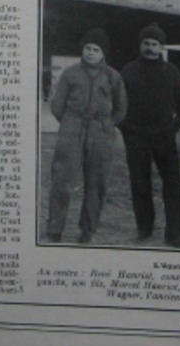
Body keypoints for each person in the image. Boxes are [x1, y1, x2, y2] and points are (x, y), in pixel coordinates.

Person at [46, 28, 127, 244]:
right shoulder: (70, 73)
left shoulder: (113, 76)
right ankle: (55, 227)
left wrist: (107, 124)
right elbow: (57, 106)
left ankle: (87, 230)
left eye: (96, 49)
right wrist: (72, 123)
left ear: (103, 53)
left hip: (101, 131)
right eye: (87, 48)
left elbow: (121, 108)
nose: (91, 52)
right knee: (62, 180)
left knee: (97, 182)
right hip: (72, 128)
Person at [119, 24, 180, 248]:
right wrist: (125, 128)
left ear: (161, 47)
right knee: (139, 183)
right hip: (136, 136)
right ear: (140, 45)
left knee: (172, 184)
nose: (150, 48)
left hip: (163, 136)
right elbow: (117, 103)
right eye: (146, 43)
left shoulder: (171, 71)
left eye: (154, 44)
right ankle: (144, 227)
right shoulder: (128, 71)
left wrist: (173, 127)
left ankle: (174, 234)